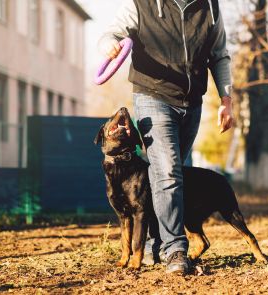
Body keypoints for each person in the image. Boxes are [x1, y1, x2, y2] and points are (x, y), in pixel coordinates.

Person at [101, 0, 233, 274]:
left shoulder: (209, 7)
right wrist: (109, 45)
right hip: (153, 96)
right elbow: (112, 33)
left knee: (166, 177)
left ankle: (153, 244)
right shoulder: (141, 4)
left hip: (192, 101)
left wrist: (226, 98)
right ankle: (174, 250)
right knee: (168, 173)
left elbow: (219, 55)